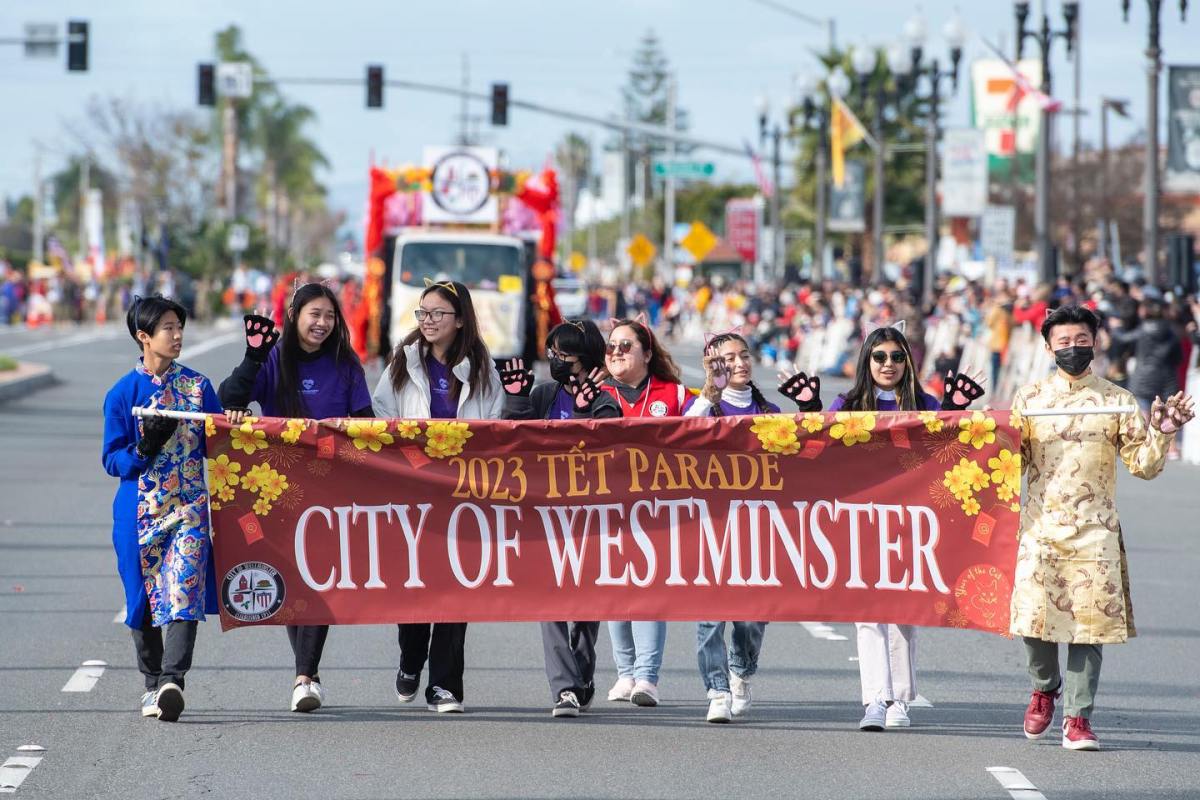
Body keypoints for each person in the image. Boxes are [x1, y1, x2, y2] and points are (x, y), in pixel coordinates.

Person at [1010, 305, 1194, 751]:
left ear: (1096, 341)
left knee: (1088, 629)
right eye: (1064, 342)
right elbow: (1005, 463)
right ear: (1048, 345)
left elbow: (1143, 466)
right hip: (1039, 530)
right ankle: (1044, 686)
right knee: (1034, 625)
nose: (1073, 348)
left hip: (1096, 533)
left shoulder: (1116, 400)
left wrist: (1163, 432)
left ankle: (1078, 718)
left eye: (1081, 340)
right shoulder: (1029, 401)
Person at [218, 283, 372, 713]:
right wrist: (252, 357)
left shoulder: (345, 365)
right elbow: (228, 397)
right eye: (313, 315)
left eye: (329, 316)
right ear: (295, 315)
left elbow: (366, 423)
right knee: (290, 579)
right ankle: (309, 674)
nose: (322, 324)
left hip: (330, 489)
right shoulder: (273, 357)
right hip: (277, 488)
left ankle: (305, 676)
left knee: (320, 576)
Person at [822, 323, 983, 731]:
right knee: (866, 612)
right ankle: (874, 699)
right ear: (867, 361)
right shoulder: (848, 402)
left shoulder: (923, 402)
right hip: (860, 518)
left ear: (907, 361)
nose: (888, 364)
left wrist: (955, 409)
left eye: (896, 357)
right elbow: (817, 448)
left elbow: (948, 448)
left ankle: (900, 701)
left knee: (901, 611)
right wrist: (808, 409)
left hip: (911, 522)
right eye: (879, 357)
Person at [372, 279, 503, 713]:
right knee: (413, 587)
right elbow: (382, 419)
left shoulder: (483, 368)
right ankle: (411, 658)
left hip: (464, 494)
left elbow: (497, 427)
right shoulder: (402, 362)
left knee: (456, 587)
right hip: (413, 492)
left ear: (460, 319)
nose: (427, 321)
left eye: (437, 314)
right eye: (422, 313)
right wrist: (415, 460)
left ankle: (445, 685)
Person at [102, 295, 224, 722]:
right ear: (144, 336)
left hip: (189, 510)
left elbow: (220, 444)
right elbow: (112, 459)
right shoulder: (122, 394)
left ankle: (173, 680)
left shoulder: (198, 387)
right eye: (168, 328)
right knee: (141, 601)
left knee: (184, 590)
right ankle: (151, 683)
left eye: (179, 327)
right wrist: (144, 446)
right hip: (137, 514)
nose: (177, 336)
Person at [500, 318, 620, 717]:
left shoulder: (608, 398)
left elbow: (619, 451)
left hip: (592, 519)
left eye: (562, 354)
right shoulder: (545, 393)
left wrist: (590, 417)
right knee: (548, 601)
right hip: (544, 518)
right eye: (551, 352)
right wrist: (516, 400)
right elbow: (508, 439)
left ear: (584, 359)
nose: (554, 359)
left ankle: (582, 675)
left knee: (587, 605)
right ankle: (564, 688)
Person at [596, 314, 694, 706]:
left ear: (647, 353)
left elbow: (705, 427)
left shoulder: (675, 394)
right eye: (611, 347)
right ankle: (624, 673)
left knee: (647, 589)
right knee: (613, 591)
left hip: (658, 509)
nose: (617, 353)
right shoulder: (598, 394)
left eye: (626, 346)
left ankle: (647, 678)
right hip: (607, 507)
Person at [684, 329, 781, 723]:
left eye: (744, 356)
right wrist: (709, 392)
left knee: (751, 616)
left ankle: (741, 671)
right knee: (710, 612)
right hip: (710, 523)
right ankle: (717, 690)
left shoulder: (769, 412)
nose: (739, 364)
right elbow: (682, 435)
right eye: (728, 358)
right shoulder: (703, 404)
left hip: (758, 526)